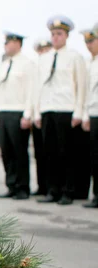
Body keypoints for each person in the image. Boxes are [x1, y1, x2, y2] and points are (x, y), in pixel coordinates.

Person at [35, 16, 88, 205]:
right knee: (49, 152)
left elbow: (81, 86)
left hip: (66, 109)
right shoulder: (44, 59)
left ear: (66, 36)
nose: (55, 37)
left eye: (59, 34)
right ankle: (52, 189)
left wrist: (79, 112)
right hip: (48, 108)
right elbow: (39, 86)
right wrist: (37, 111)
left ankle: (68, 191)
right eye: (53, 34)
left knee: (67, 153)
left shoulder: (74, 57)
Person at [0, 32, 36, 200]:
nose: (6, 45)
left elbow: (31, 91)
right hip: (4, 111)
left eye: (8, 42)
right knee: (7, 152)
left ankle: (22, 187)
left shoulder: (27, 64)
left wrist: (27, 114)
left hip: (18, 112)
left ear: (18, 43)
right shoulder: (4, 65)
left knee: (19, 152)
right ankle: (11, 185)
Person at [31, 39, 53, 196]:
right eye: (41, 50)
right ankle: (42, 186)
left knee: (50, 152)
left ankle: (52, 186)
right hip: (36, 115)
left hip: (48, 113)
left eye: (46, 49)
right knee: (39, 153)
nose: (43, 52)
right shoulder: (36, 68)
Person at [81, 23, 98, 208]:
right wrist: (86, 115)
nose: (88, 44)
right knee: (95, 157)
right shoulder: (90, 64)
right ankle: (97, 195)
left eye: (92, 40)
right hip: (94, 114)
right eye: (87, 41)